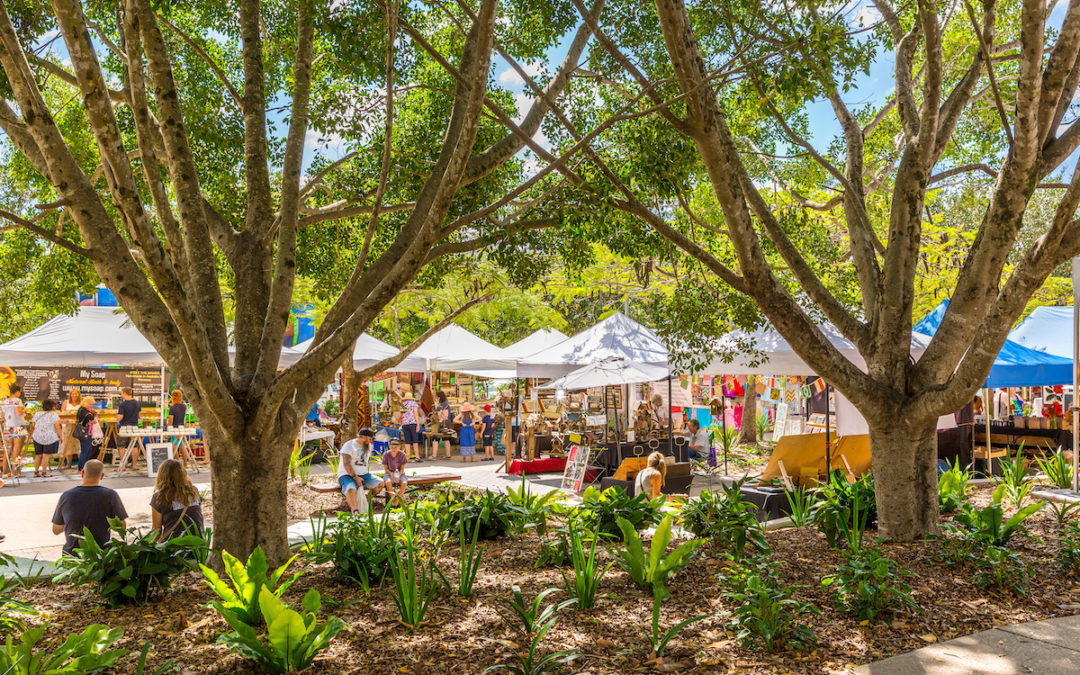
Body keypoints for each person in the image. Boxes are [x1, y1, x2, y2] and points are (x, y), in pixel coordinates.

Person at [51, 459, 127, 555]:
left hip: (72, 555)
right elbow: (121, 527)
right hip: (101, 555)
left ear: (82, 473)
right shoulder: (110, 495)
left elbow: (56, 530)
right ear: (102, 476)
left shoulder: (66, 496)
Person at [150, 459, 204, 540]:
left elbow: (156, 532)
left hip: (174, 547)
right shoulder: (194, 491)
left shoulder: (159, 497)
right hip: (197, 545)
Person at [338, 427, 386, 513]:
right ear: (363, 437)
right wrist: (355, 477)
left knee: (380, 483)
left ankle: (365, 501)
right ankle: (355, 510)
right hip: (347, 474)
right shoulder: (349, 445)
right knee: (351, 488)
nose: (370, 441)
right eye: (369, 439)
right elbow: (346, 464)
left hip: (364, 474)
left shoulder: (368, 446)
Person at [29, 399, 61, 478]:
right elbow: (57, 428)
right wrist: (61, 436)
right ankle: (44, 472)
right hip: (49, 437)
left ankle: (36, 472)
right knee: (46, 455)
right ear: (52, 406)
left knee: (38, 455)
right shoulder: (54, 415)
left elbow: (33, 425)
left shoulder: (37, 414)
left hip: (37, 436)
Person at [1, 384, 26, 476]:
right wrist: (25, 410)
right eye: (20, 392)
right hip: (18, 426)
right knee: (17, 449)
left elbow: (2, 416)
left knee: (7, 450)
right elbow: (18, 412)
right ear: (17, 392)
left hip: (8, 426)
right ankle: (15, 472)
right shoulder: (17, 400)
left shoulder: (5, 401)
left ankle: (4, 472)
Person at [116, 387, 141, 470]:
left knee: (121, 446)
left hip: (124, 427)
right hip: (135, 427)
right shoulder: (137, 403)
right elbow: (139, 415)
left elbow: (120, 418)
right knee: (135, 446)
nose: (121, 394)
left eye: (121, 393)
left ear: (124, 393)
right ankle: (134, 465)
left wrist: (117, 417)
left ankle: (123, 466)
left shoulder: (122, 404)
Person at [58, 387, 82, 470]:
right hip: (67, 427)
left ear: (78, 395)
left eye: (76, 393)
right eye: (73, 393)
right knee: (68, 445)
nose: (74, 395)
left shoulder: (81, 403)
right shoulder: (66, 402)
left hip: (78, 427)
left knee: (79, 445)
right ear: (70, 395)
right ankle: (68, 464)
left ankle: (81, 464)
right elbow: (62, 414)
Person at [382, 438, 408, 507]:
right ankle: (394, 501)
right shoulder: (386, 454)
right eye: (392, 447)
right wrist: (391, 473)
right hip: (389, 473)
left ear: (398, 447)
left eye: (395, 447)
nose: (393, 449)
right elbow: (386, 469)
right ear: (389, 447)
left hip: (399, 473)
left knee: (404, 483)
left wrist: (399, 475)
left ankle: (396, 502)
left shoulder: (402, 454)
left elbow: (402, 469)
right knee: (388, 483)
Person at [75, 396, 98, 471]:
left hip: (86, 432)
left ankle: (84, 467)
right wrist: (95, 415)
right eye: (90, 404)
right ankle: (81, 468)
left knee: (87, 450)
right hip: (85, 433)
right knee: (85, 450)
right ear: (86, 403)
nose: (91, 406)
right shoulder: (84, 411)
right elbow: (94, 421)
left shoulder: (81, 410)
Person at [398, 391, 421, 462]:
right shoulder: (414, 404)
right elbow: (416, 414)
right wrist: (418, 424)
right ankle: (417, 457)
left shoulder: (402, 404)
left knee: (407, 441)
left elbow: (400, 415)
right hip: (413, 423)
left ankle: (407, 457)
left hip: (405, 424)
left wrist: (398, 420)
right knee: (415, 440)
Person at [430, 390, 453, 460]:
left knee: (435, 439)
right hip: (447, 423)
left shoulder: (441, 406)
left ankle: (434, 456)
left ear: (439, 397)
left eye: (436, 397)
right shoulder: (447, 404)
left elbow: (438, 415)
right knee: (446, 439)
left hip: (440, 424)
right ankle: (448, 455)